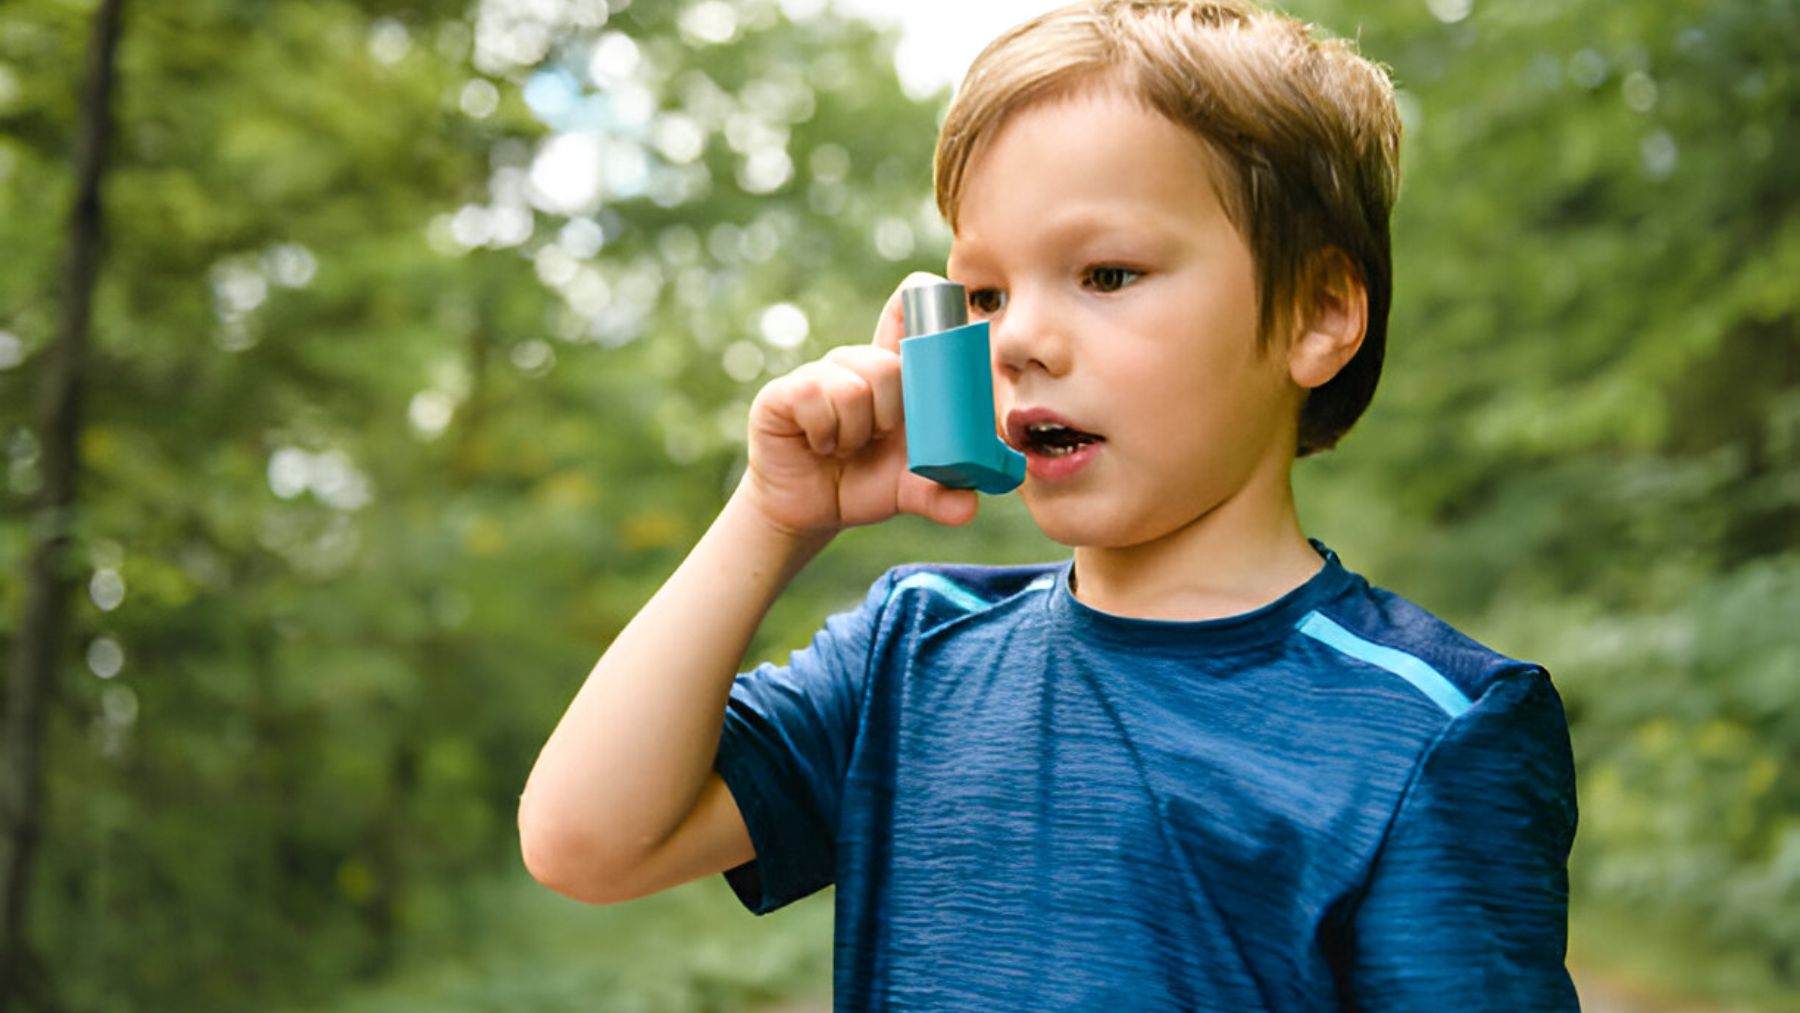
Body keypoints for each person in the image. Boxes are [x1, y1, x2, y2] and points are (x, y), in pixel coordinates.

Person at [517, 1, 1579, 1008]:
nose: (1017, 337)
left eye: (1106, 273)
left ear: (1317, 311)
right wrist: (774, 515)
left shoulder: (1432, 727)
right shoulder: (910, 651)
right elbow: (587, 839)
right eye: (984, 294)